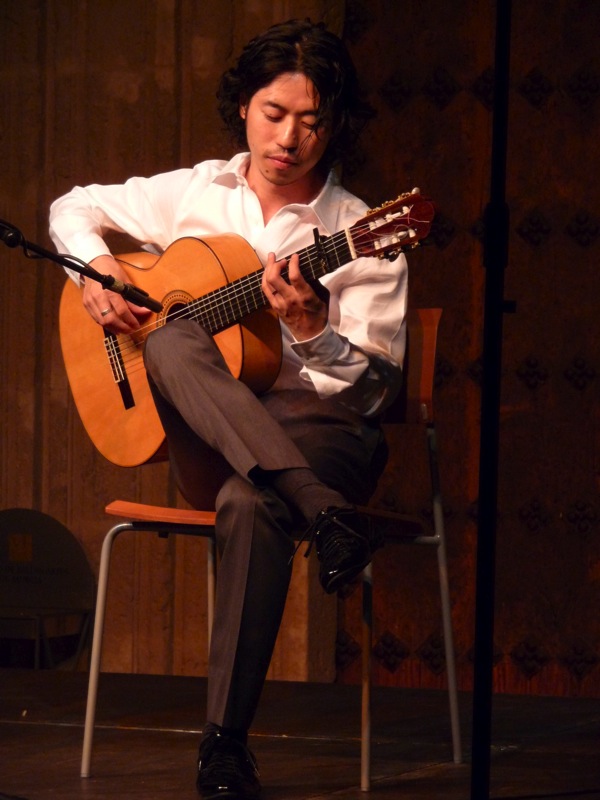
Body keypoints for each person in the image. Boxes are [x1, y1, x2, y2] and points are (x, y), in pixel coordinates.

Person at [49, 19, 408, 800]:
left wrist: (312, 331)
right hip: (209, 438)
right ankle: (325, 514)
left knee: (251, 501)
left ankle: (223, 749)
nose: (289, 138)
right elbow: (71, 207)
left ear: (334, 126)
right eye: (274, 113)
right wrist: (97, 272)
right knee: (175, 338)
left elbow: (377, 393)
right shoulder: (194, 192)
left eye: (312, 121)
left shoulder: (359, 231)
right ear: (244, 106)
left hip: (323, 433)